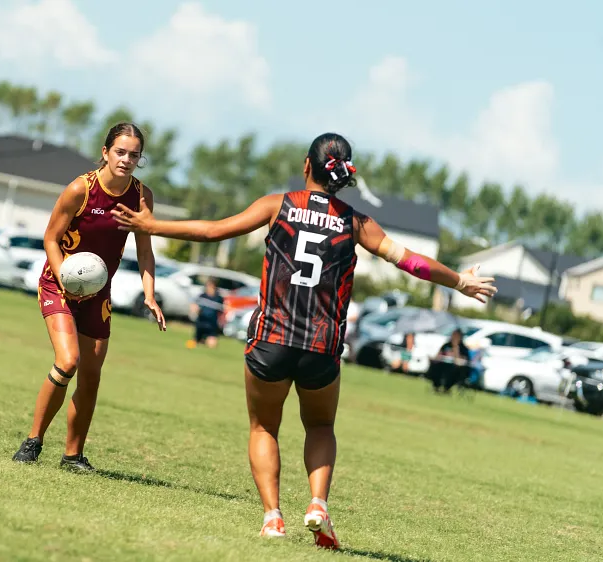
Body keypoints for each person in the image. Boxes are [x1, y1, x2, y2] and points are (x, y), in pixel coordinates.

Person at [113, 132, 496, 549]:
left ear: (306, 165)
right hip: (321, 346)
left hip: (271, 339)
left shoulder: (277, 205)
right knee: (320, 425)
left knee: (264, 426)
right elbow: (410, 262)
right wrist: (459, 281)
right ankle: (317, 504)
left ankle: (273, 518)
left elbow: (212, 231)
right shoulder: (356, 222)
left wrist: (151, 225)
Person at [12, 122, 167, 472]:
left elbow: (145, 251)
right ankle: (33, 441)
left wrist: (150, 295)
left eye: (134, 155)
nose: (126, 160)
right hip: (58, 286)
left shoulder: (142, 197)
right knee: (68, 361)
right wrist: (64, 279)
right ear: (105, 152)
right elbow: (51, 238)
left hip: (98, 294)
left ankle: (73, 456)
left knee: (91, 376)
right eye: (120, 152)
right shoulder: (80, 189)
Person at [430, 327, 471, 392]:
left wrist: (455, 347)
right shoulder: (446, 345)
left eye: (456, 336)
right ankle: (436, 386)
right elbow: (438, 355)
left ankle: (447, 388)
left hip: (455, 367)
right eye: (453, 335)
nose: (454, 337)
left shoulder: (463, 348)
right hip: (443, 365)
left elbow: (462, 360)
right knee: (435, 367)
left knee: (455, 371)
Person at [189, 278, 224, 349]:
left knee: (212, 345)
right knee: (194, 343)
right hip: (201, 323)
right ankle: (201, 340)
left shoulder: (218, 298)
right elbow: (194, 306)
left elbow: (221, 311)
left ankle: (205, 340)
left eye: (210, 286)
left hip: (212, 324)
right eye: (207, 286)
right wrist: (195, 310)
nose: (208, 288)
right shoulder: (202, 296)